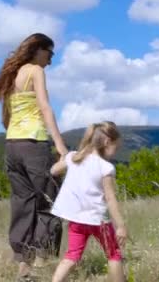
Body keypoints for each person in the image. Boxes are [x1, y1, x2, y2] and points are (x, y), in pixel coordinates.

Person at [0, 33, 69, 281]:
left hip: (12, 145)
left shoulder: (11, 75)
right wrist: (60, 145)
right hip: (34, 142)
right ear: (38, 49)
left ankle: (23, 265)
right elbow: (45, 107)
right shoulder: (35, 70)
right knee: (49, 200)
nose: (51, 60)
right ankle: (43, 260)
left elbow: (7, 117)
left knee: (22, 203)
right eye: (50, 53)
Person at [49, 121, 128, 282]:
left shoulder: (74, 157)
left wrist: (66, 157)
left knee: (72, 256)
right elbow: (110, 199)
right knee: (114, 254)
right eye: (116, 147)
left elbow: (53, 170)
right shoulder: (106, 167)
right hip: (99, 221)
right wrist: (120, 225)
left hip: (76, 220)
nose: (115, 151)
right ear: (106, 142)